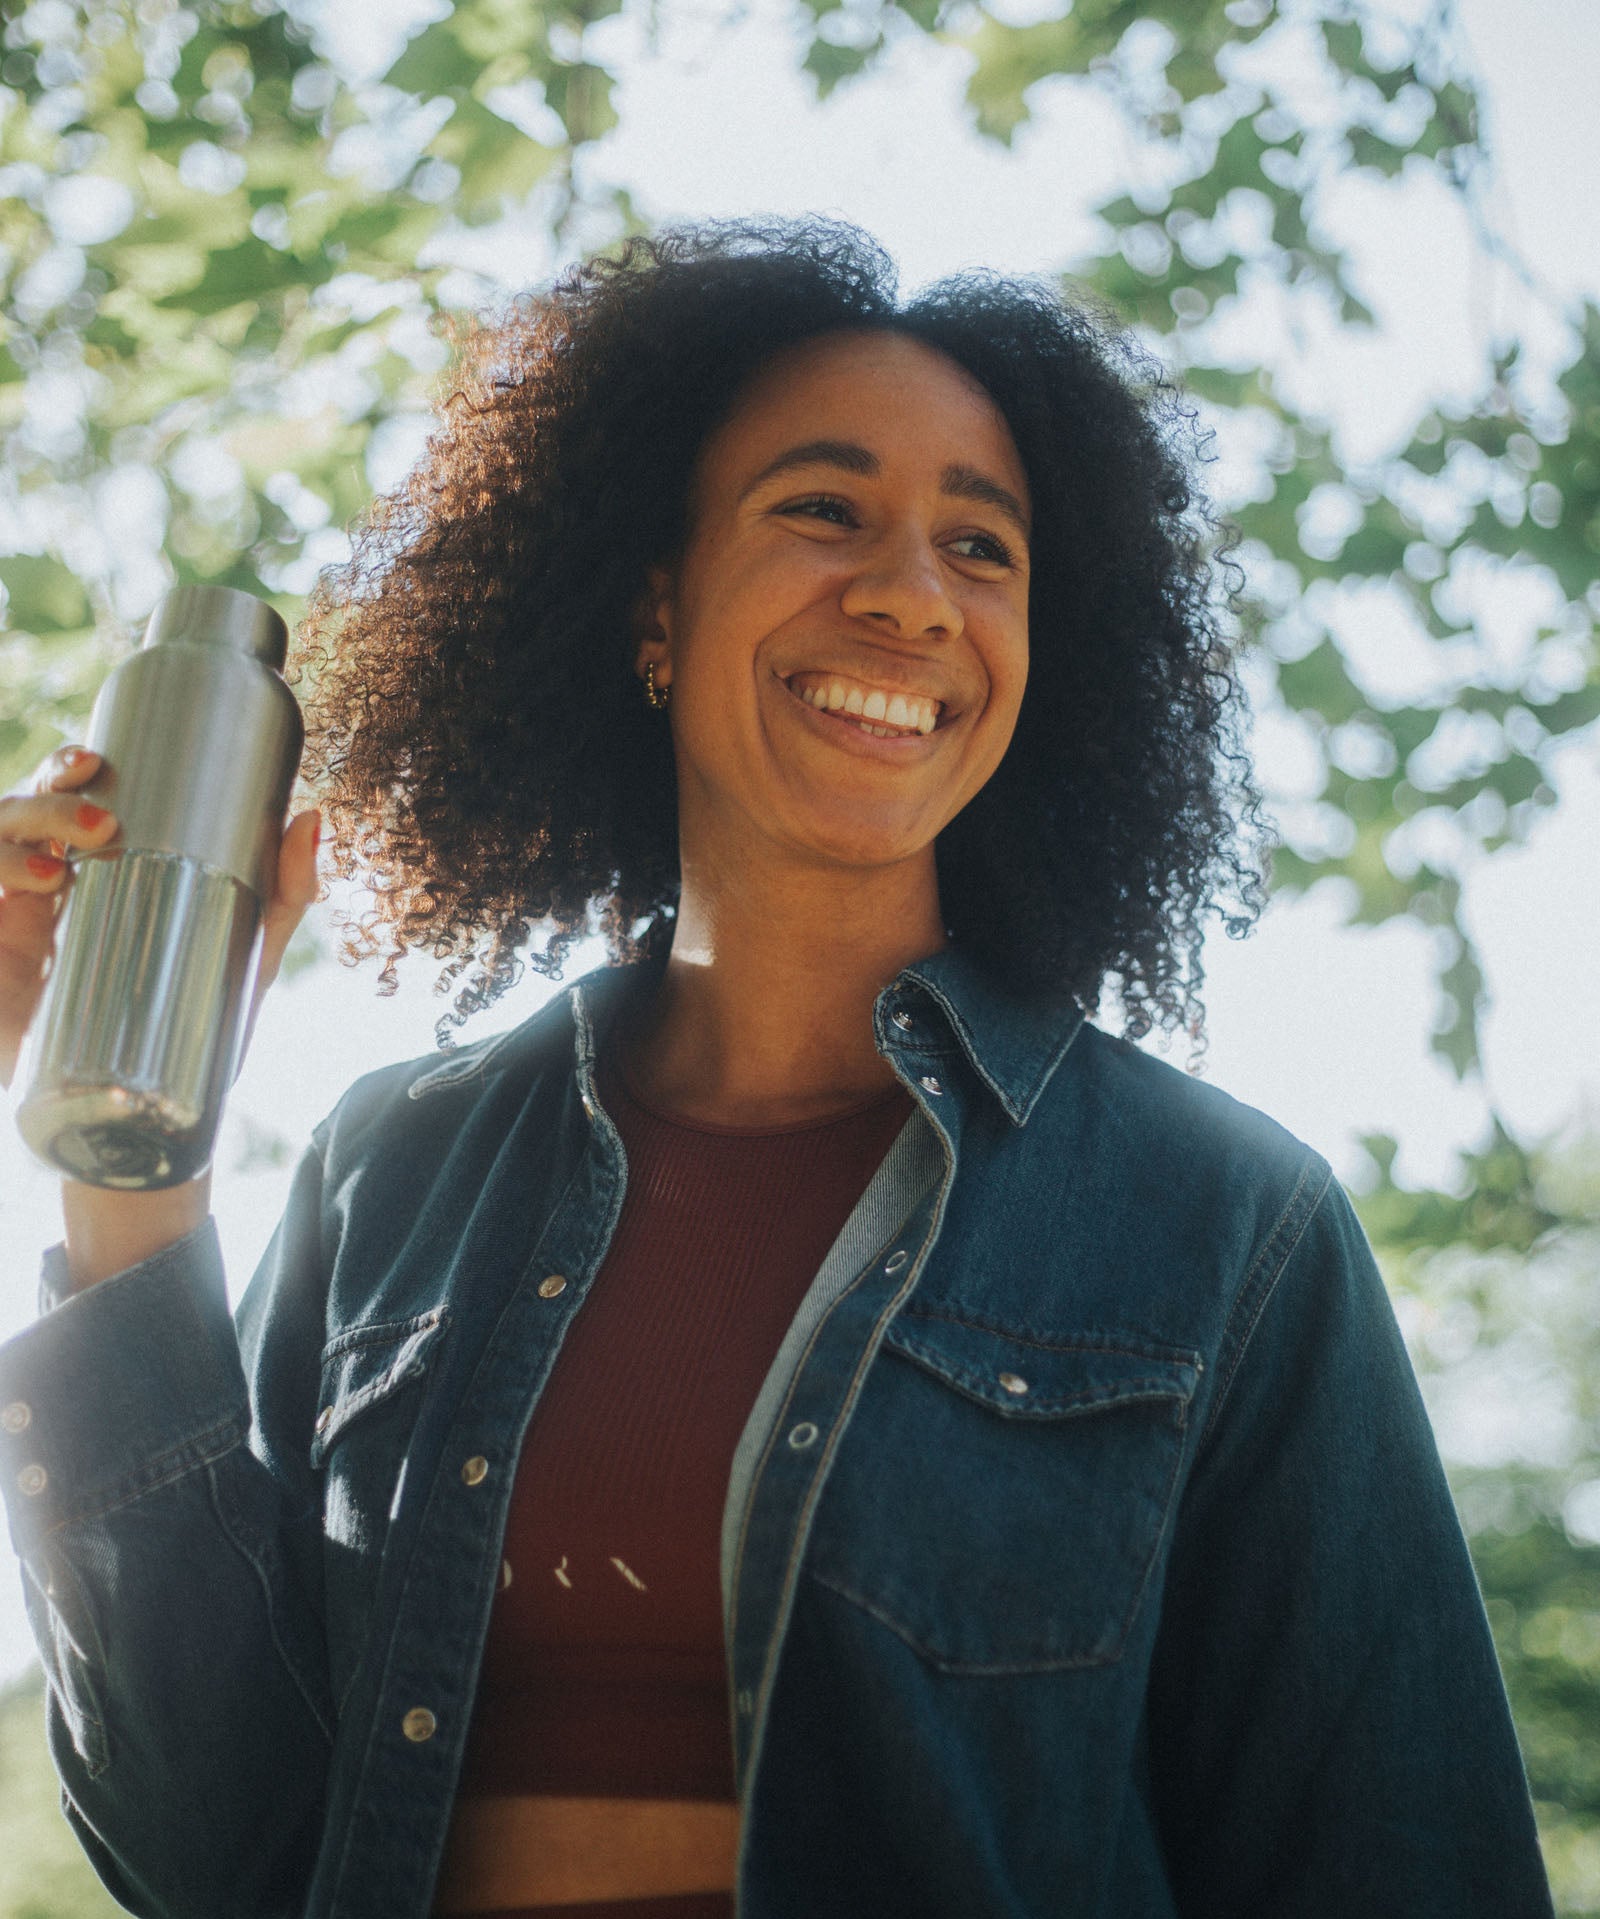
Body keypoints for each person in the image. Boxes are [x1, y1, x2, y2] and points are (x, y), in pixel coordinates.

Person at [0, 220, 1552, 1919]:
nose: (909, 594)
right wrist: (125, 1161)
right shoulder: (399, 1172)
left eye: (984, 545)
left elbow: (1410, 1862)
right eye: (823, 509)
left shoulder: (1222, 1230)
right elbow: (207, 1857)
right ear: (653, 607)